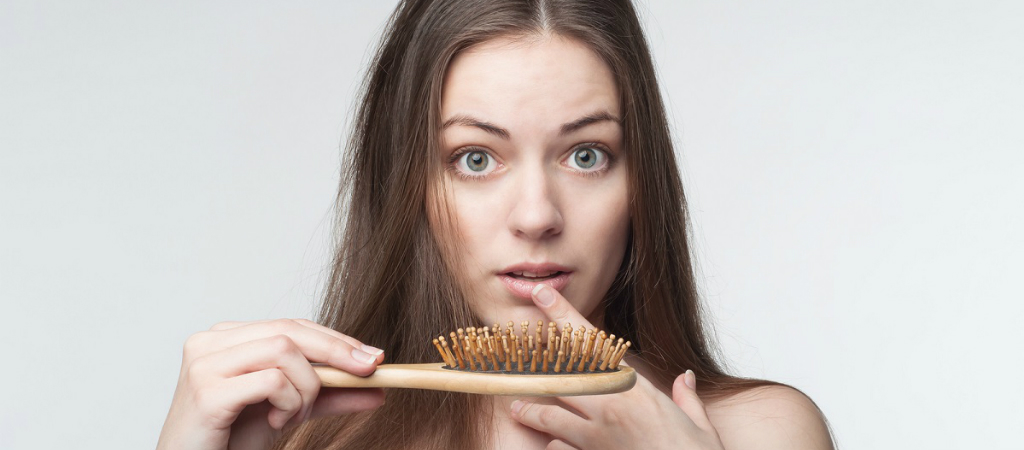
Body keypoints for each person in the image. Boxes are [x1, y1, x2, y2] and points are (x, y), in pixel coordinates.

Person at [157, 1, 835, 449]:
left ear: (640, 182)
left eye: (586, 155)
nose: (537, 215)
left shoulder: (759, 434)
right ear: (409, 185)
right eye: (475, 159)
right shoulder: (309, 438)